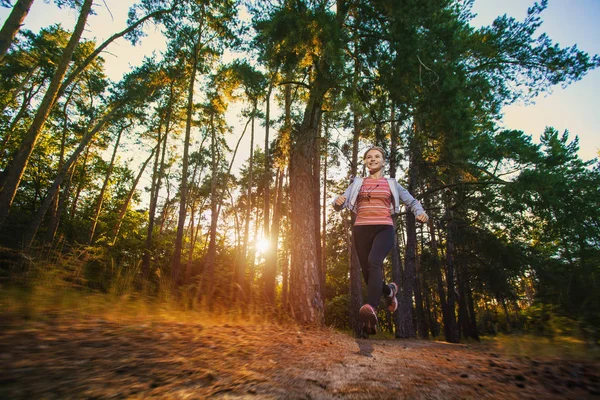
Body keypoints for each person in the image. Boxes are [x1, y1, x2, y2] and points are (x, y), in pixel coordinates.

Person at [333, 146, 428, 335]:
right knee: (368, 274)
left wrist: (421, 212)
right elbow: (342, 201)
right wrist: (337, 201)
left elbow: (412, 201)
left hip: (384, 228)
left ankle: (371, 308)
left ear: (383, 162)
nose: (373, 159)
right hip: (361, 229)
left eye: (377, 157)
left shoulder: (391, 184)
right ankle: (389, 291)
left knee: (374, 262)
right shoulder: (358, 183)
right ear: (365, 162)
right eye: (369, 157)